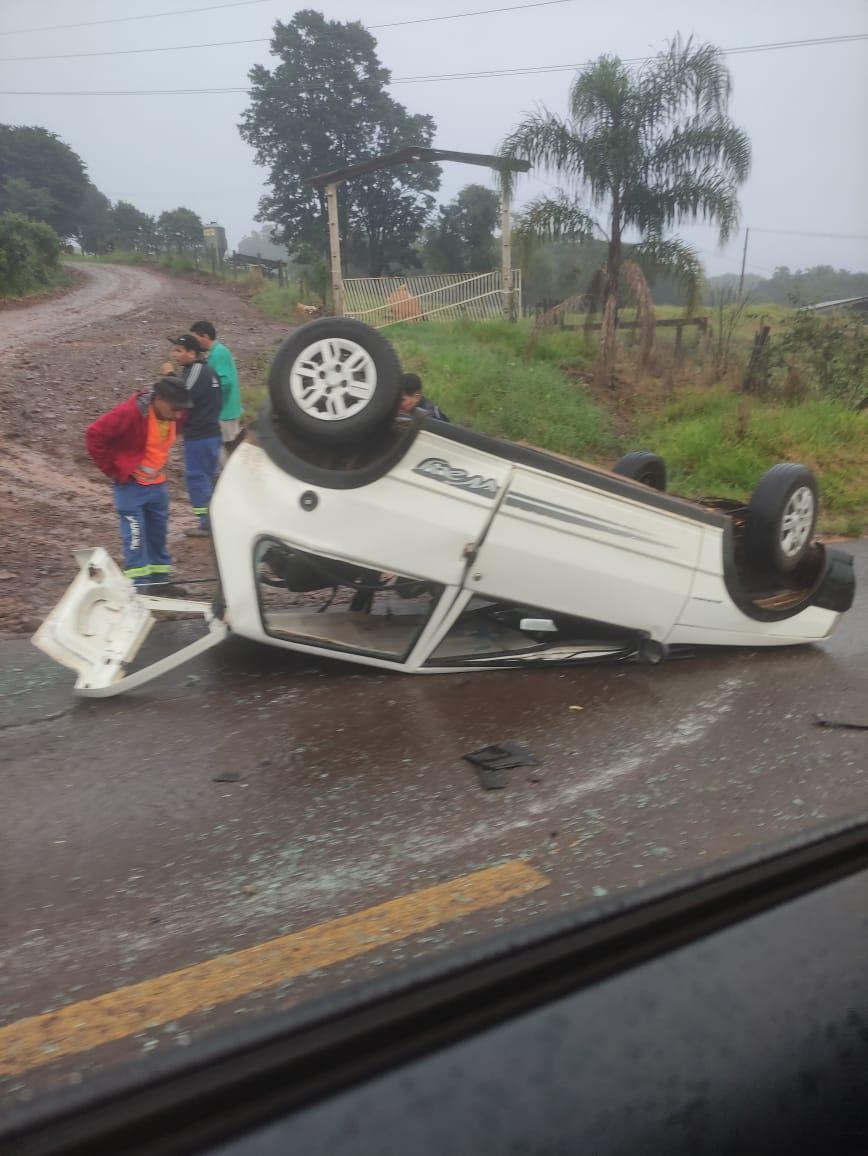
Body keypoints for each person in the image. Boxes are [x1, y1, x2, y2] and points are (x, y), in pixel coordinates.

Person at [85, 376, 192, 589]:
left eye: (181, 410)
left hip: (157, 485)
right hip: (131, 487)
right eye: (175, 409)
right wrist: (114, 469)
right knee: (135, 539)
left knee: (158, 536)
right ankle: (139, 586)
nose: (178, 415)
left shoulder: (174, 413)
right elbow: (94, 434)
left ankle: (160, 580)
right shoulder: (131, 413)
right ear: (159, 399)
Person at [167, 333, 223, 537]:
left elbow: (180, 397)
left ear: (192, 353)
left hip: (199, 435)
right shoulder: (208, 371)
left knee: (196, 478)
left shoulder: (195, 371)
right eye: (174, 350)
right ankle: (216, 519)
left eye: (179, 351)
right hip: (211, 433)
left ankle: (207, 524)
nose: (175, 354)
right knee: (210, 477)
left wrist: (169, 377)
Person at [189, 320, 243, 458]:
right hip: (224, 411)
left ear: (205, 336)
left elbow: (225, 383)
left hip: (224, 412)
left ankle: (227, 478)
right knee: (224, 450)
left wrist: (211, 404)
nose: (194, 344)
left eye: (196, 339)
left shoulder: (219, 353)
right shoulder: (214, 353)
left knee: (225, 452)